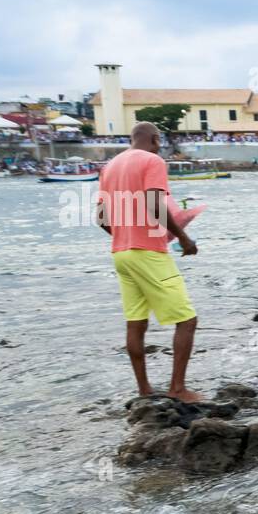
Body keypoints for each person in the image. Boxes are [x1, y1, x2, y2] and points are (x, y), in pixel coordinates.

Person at [94, 121, 202, 401]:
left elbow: (101, 218)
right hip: (149, 253)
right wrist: (183, 238)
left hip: (121, 253)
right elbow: (156, 204)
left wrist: (124, 233)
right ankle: (177, 389)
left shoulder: (110, 167)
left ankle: (144, 390)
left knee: (136, 323)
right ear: (155, 139)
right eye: (160, 141)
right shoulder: (152, 161)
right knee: (187, 320)